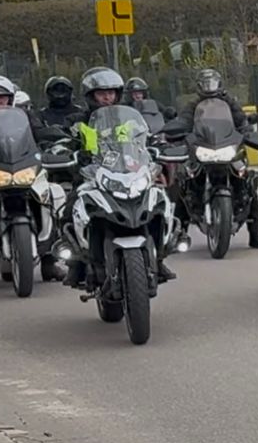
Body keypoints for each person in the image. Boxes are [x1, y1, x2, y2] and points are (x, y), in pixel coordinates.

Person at [65, 67, 177, 283]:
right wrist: (67, 150)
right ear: (91, 96)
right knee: (70, 207)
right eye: (101, 93)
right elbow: (66, 141)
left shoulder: (130, 118)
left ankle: (159, 256)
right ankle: (76, 262)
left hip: (128, 172)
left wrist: (159, 146)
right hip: (92, 174)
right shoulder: (79, 121)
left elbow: (146, 137)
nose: (107, 97)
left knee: (158, 200)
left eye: (111, 93)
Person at [169, 69, 258, 250]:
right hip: (202, 148)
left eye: (212, 83)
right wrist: (179, 132)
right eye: (205, 84)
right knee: (184, 184)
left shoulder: (229, 102)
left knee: (247, 183)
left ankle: (255, 233)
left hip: (226, 148)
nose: (209, 87)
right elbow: (184, 122)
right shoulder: (193, 104)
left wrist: (247, 132)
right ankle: (178, 233)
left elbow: (241, 121)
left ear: (219, 84)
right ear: (199, 86)